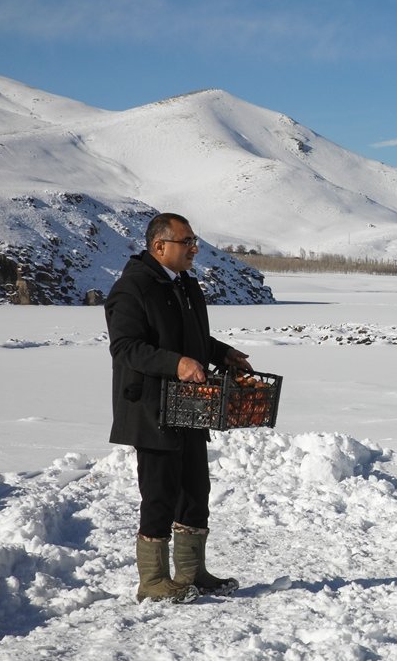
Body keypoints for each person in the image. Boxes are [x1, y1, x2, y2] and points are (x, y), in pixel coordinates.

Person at [105, 213, 253, 603]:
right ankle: (152, 580)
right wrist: (177, 364)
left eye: (194, 241)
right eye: (185, 241)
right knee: (159, 493)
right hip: (150, 408)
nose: (194, 248)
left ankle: (191, 572)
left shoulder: (185, 284)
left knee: (194, 490)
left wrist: (223, 353)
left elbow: (193, 338)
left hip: (189, 406)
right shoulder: (132, 288)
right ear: (159, 246)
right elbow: (126, 348)